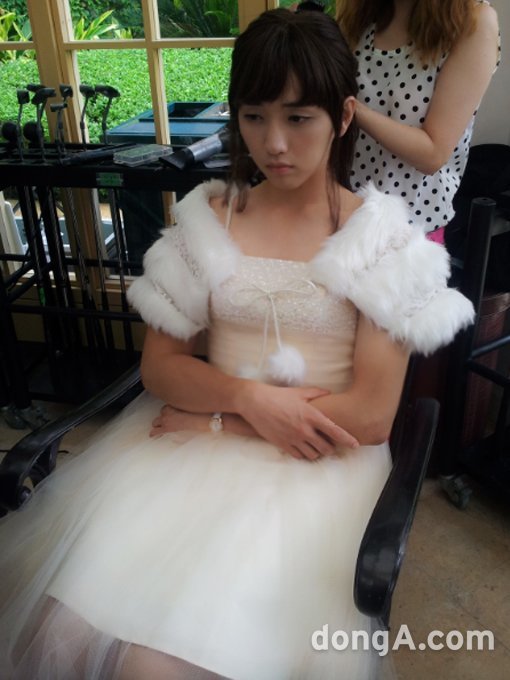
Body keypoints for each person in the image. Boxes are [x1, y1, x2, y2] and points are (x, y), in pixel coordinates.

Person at [0, 9, 475, 680]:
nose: (274, 143)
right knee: (60, 630)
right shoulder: (209, 219)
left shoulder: (384, 242)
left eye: (298, 118)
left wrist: (222, 419)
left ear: (342, 116)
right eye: (254, 117)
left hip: (318, 460)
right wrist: (247, 400)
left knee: (155, 666)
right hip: (189, 443)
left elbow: (369, 416)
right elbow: (161, 368)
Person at [335, 0, 500, 240]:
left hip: (408, 233)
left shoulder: (474, 21)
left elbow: (432, 154)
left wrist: (350, 108)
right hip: (337, 214)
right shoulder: (362, 14)